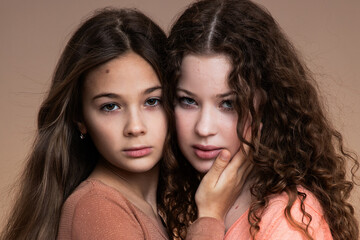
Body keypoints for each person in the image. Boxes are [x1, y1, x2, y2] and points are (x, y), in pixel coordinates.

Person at [1, 7, 250, 240]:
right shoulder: (97, 208)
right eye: (110, 106)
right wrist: (209, 217)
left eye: (152, 101)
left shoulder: (145, 207)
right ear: (80, 119)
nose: (135, 127)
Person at [163, 0, 359, 239]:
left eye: (229, 104)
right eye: (188, 101)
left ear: (268, 105)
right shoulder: (205, 200)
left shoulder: (289, 221)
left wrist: (209, 218)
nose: (203, 128)